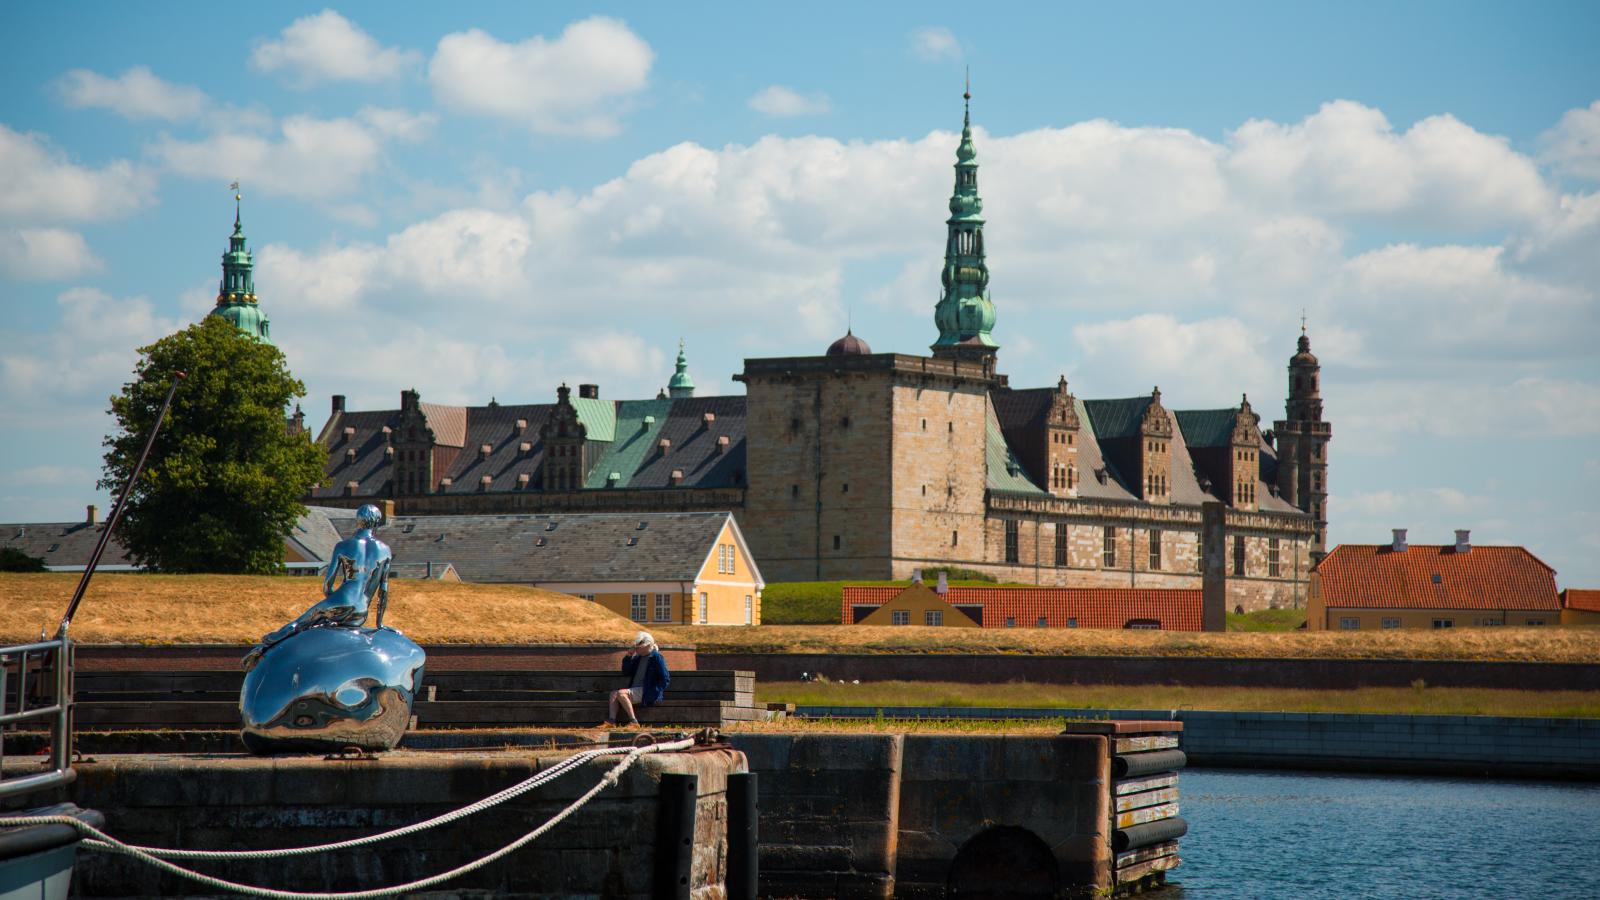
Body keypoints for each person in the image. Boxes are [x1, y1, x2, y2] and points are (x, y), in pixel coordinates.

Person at [608, 631, 670, 727]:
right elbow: (626, 672)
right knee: (613, 694)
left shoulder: (656, 657)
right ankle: (611, 722)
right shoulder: (638, 658)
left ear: (648, 645)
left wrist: (654, 691)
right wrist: (629, 655)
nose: (636, 648)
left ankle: (633, 721)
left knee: (621, 693)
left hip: (647, 690)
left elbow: (665, 678)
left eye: (639, 646)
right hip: (635, 690)